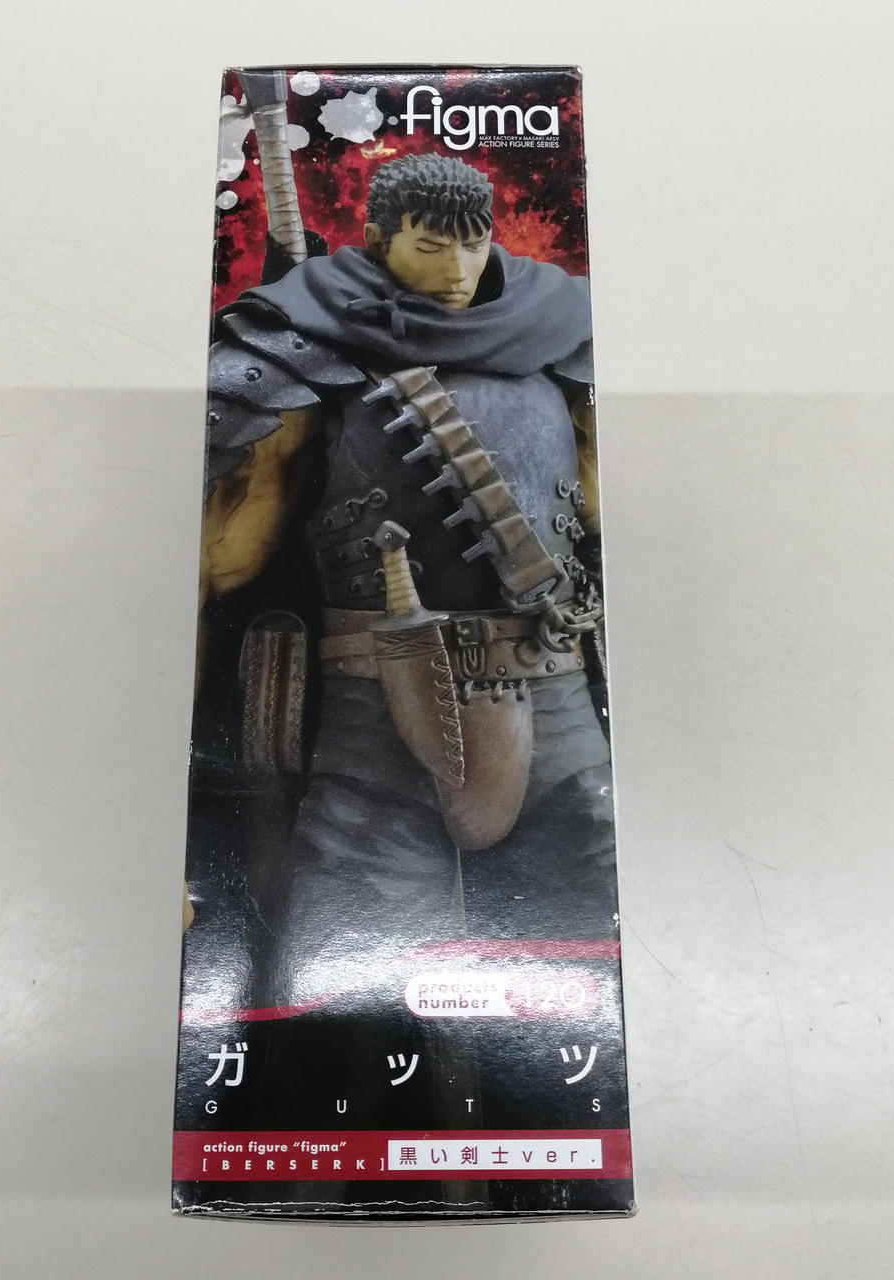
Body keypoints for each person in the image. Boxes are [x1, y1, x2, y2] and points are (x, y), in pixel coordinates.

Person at [199, 153, 617, 1005]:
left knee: (597, 953)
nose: (457, 270)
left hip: (555, 693)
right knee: (348, 976)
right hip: (380, 703)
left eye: (472, 245)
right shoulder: (303, 339)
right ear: (380, 238)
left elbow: (610, 519)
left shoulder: (561, 330)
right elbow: (221, 559)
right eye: (430, 247)